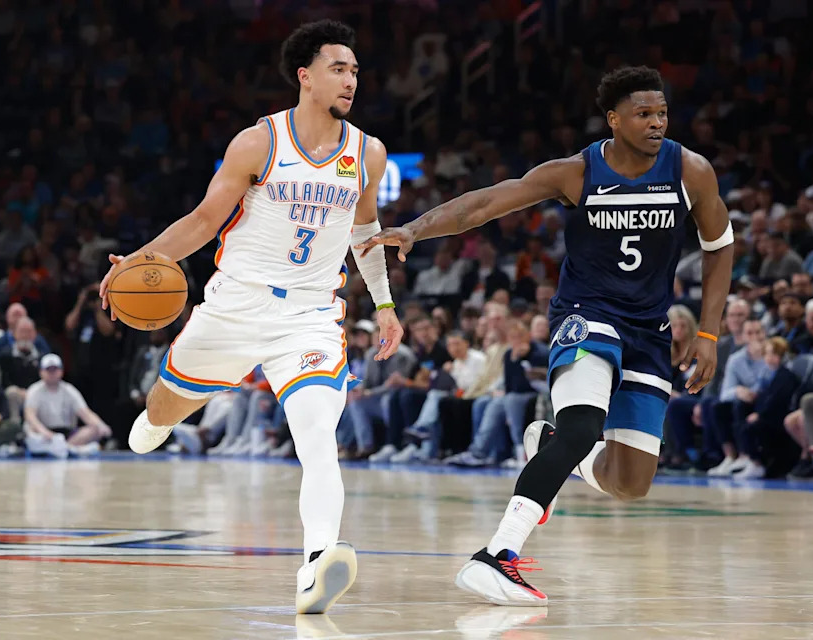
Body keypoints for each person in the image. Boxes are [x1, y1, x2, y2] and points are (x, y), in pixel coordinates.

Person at [357, 66, 732, 604]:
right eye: (643, 114)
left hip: (649, 330)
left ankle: (554, 447)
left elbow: (720, 245)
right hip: (586, 314)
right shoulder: (577, 173)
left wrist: (710, 333)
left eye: (662, 113)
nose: (656, 123)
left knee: (631, 482)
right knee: (584, 426)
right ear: (613, 119)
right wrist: (416, 228)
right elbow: (486, 202)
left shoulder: (690, 171)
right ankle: (497, 554)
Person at [97, 20, 404, 614]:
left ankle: (318, 563)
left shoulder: (368, 153)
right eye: (339, 68)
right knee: (161, 412)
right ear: (305, 76)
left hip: (311, 316)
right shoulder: (259, 143)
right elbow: (205, 219)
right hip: (236, 305)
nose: (351, 80)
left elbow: (365, 233)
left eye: (356, 71)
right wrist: (135, 261)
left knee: (318, 438)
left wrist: (386, 304)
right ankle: (158, 422)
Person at [23, 354, 113, 458]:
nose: (52, 373)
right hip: (43, 433)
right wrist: (47, 434)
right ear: (41, 372)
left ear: (61, 371)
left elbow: (85, 413)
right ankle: (68, 449)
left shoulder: (69, 390)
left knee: (94, 429)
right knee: (30, 432)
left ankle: (64, 447)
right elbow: (30, 416)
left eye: (55, 369)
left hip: (67, 434)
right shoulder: (34, 390)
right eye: (48, 370)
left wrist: (101, 425)